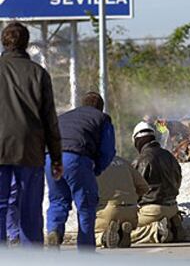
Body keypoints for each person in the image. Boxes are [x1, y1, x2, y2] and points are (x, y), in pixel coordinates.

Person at [0, 22, 63, 247]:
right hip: (30, 148)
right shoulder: (39, 73)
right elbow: (49, 119)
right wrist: (56, 157)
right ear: (27, 44)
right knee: (30, 207)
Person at [45, 92, 116, 250]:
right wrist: (96, 169)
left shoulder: (64, 116)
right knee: (86, 204)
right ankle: (85, 250)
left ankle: (54, 231)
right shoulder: (102, 118)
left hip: (51, 158)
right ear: (100, 108)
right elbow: (108, 151)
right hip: (76, 158)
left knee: (58, 201)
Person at [130, 122, 184, 244]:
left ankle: (156, 231)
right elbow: (178, 181)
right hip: (173, 207)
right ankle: (171, 224)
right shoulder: (169, 156)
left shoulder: (141, 160)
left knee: (125, 231)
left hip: (152, 211)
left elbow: (134, 190)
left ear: (137, 141)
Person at [95, 157, 149, 248]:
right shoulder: (123, 162)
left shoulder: (92, 164)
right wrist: (133, 199)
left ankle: (103, 237)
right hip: (131, 209)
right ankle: (122, 233)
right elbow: (144, 187)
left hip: (109, 209)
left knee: (88, 234)